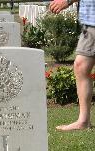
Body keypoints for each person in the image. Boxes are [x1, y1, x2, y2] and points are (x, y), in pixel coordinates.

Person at [50, 0, 95, 131]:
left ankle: (83, 121)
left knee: (81, 66)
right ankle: (83, 120)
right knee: (81, 66)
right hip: (90, 21)